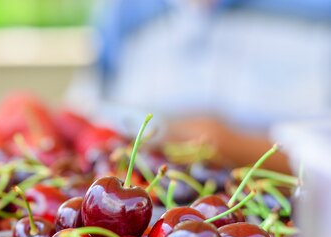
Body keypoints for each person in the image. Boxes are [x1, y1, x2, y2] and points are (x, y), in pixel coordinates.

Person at [69, 0, 331, 171]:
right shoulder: (124, 14)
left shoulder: (315, 14)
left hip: (291, 234)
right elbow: (85, 118)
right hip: (147, 224)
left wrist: (236, 147)